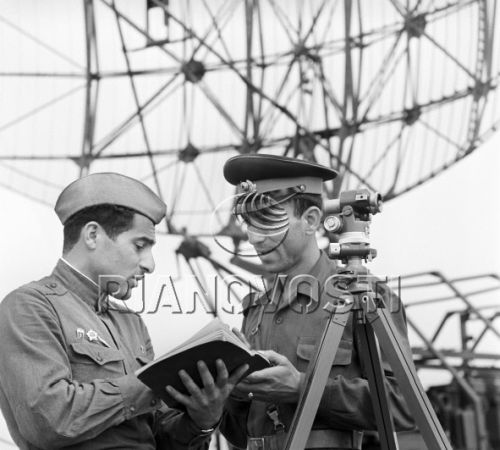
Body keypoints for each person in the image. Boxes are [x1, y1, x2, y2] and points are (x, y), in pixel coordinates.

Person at [0, 172, 248, 450]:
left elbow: (161, 438)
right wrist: (151, 384)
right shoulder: (29, 307)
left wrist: (202, 420)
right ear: (93, 235)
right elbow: (48, 420)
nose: (150, 264)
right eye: (139, 246)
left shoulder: (132, 323)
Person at [219, 154, 415, 450]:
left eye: (267, 220)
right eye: (248, 222)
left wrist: (302, 388)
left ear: (310, 220)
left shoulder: (366, 296)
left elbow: (404, 405)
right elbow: (240, 433)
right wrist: (230, 393)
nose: (253, 238)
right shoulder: (256, 310)